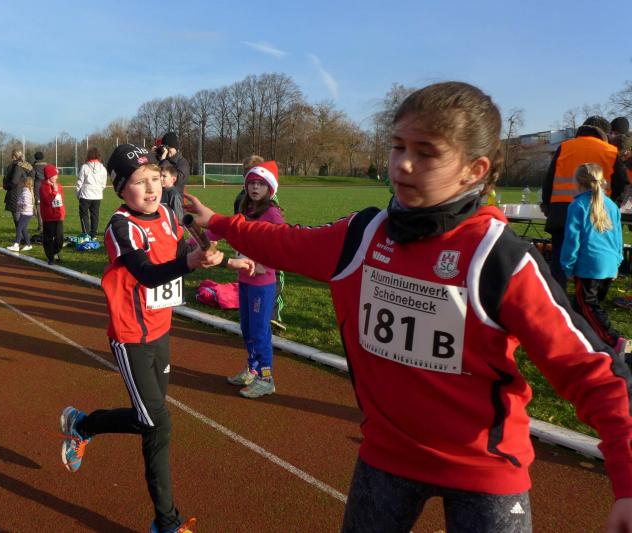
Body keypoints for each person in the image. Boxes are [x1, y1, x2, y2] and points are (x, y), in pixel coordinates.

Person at [184, 82, 632, 533]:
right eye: (398, 146)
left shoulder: (499, 258)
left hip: (485, 471)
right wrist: (219, 222)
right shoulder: (362, 236)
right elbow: (284, 242)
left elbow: (593, 372)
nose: (403, 163)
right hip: (386, 457)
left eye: (427, 152)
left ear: (474, 170)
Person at [59, 144, 224, 533]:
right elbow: (148, 273)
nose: (151, 188)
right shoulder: (121, 227)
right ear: (120, 188)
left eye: (155, 178)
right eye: (139, 181)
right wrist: (189, 262)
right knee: (157, 425)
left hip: (161, 330)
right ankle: (166, 522)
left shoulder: (167, 213)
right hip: (130, 336)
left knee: (148, 416)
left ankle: (83, 425)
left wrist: (220, 258)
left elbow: (182, 248)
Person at [541, 117, 627, 289]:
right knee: (591, 255)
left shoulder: (565, 146)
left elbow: (549, 179)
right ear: (604, 132)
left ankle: (556, 298)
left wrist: (547, 205)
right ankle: (589, 295)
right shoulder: (610, 150)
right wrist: (611, 202)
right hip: (596, 211)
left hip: (561, 210)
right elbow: (620, 182)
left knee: (560, 259)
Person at [224, 161, 285, 398]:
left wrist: (264, 266)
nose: (255, 188)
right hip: (244, 279)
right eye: (252, 183)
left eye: (260, 184)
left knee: (260, 331)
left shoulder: (272, 214)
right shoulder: (245, 209)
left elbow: (283, 245)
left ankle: (266, 378)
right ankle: (252, 369)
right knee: (247, 328)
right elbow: (232, 231)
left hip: (262, 284)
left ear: (270, 188)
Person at [560, 163, 626, 354]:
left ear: (578, 182)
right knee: (584, 307)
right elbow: (618, 238)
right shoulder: (611, 205)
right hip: (608, 264)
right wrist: (617, 262)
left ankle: (615, 341)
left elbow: (572, 240)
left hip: (588, 266)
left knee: (589, 308)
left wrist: (567, 266)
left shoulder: (578, 205)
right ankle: (581, 342)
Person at [75, 147, 107, 240]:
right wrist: (99, 191)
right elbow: (103, 184)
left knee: (84, 215)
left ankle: (86, 233)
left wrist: (78, 194)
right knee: (95, 215)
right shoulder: (103, 168)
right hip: (97, 195)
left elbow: (79, 182)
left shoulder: (84, 167)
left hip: (85, 194)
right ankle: (94, 235)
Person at [38, 164, 66, 265]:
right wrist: (54, 191)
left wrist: (62, 212)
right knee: (48, 238)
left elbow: (61, 200)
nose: (56, 177)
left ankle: (55, 251)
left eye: (57, 175)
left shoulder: (59, 186)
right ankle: (50, 257)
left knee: (60, 238)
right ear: (49, 176)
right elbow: (48, 201)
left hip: (58, 216)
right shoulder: (43, 187)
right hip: (48, 216)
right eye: (54, 175)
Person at [3, 149, 33, 234]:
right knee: (22, 218)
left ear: (13, 156)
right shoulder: (27, 165)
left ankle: (22, 238)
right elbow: (33, 175)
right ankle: (23, 238)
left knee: (18, 220)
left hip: (15, 193)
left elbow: (14, 181)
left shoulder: (16, 166)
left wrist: (6, 185)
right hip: (25, 192)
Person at [7, 175, 34, 252]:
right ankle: (28, 244)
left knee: (19, 228)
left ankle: (16, 245)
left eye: (22, 182)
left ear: (25, 183)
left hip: (26, 213)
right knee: (23, 229)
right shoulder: (27, 191)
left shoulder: (25, 192)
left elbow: (25, 203)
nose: (20, 183)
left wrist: (20, 204)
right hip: (26, 213)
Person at [32, 151, 48, 231]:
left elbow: (32, 177)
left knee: (38, 206)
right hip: (47, 186)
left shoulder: (34, 166)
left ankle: (41, 226)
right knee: (47, 206)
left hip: (38, 186)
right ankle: (47, 225)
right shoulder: (47, 165)